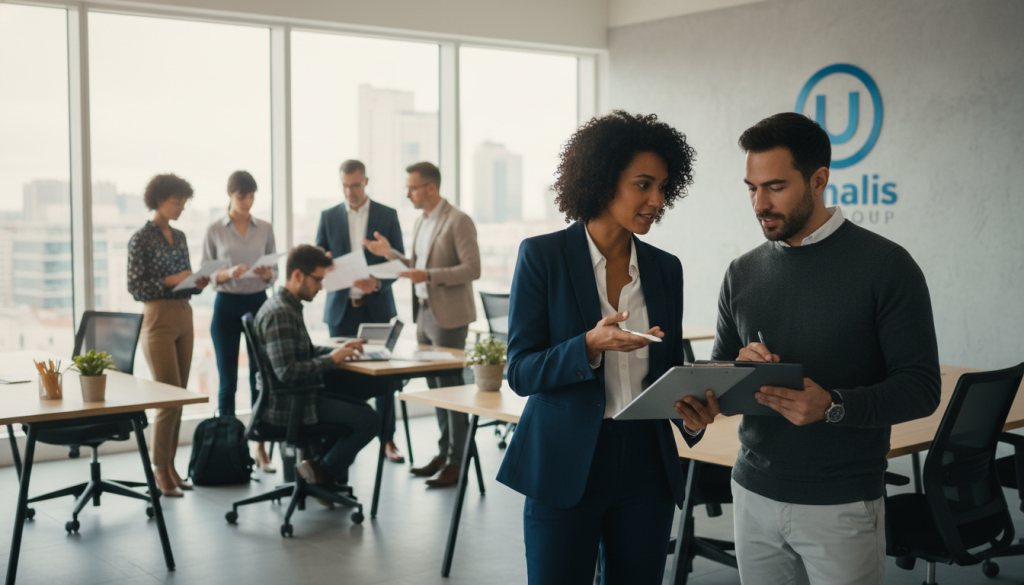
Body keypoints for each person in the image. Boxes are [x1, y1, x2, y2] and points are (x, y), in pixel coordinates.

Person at [709, 112, 941, 585]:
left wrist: (833, 406)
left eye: (775, 187)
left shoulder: (887, 266)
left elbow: (921, 389)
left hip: (842, 502)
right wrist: (736, 369)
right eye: (751, 188)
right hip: (752, 491)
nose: (759, 203)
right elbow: (718, 371)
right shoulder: (741, 271)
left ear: (819, 180)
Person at [494, 111, 714, 585]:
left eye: (663, 187)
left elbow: (668, 369)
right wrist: (588, 346)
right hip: (566, 460)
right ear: (602, 180)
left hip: (646, 464)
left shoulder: (665, 269)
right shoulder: (542, 256)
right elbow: (521, 371)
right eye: (643, 185)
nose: (657, 200)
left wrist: (691, 412)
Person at [364, 161, 481, 487]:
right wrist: (391, 255)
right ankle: (445, 454)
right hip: (424, 312)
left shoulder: (458, 220)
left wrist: (427, 275)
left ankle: (458, 461)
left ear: (431, 187)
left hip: (449, 315)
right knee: (436, 389)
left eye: (412, 187)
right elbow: (417, 266)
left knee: (451, 388)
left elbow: (472, 269)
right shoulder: (421, 222)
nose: (408, 193)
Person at [253, 244, 384, 500]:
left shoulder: (285, 306)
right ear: (298, 275)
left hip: (295, 398)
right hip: (291, 404)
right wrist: (332, 360)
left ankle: (321, 474)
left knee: (355, 402)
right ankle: (322, 471)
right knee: (370, 420)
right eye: (318, 280)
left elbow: (303, 351)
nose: (321, 287)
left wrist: (339, 350)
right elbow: (287, 372)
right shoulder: (281, 313)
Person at [316, 159, 406, 464]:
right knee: (339, 377)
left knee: (384, 380)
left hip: (376, 308)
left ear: (365, 181)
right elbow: (318, 260)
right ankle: (342, 440)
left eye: (355, 185)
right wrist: (324, 261)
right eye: (345, 185)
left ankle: (388, 439)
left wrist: (377, 282)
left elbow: (399, 265)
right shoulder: (328, 216)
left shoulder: (387, 215)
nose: (350, 191)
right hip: (341, 310)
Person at [127, 173, 210, 497]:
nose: (181, 207)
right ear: (159, 200)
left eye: (184, 202)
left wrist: (196, 282)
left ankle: (171, 465)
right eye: (177, 201)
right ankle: (159, 469)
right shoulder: (141, 238)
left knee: (180, 396)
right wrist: (170, 279)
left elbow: (185, 278)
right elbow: (135, 287)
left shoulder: (181, 236)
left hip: (184, 314)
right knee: (167, 399)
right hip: (157, 316)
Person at [202, 170, 278, 472]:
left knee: (260, 377)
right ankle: (229, 446)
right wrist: (226, 273)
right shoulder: (214, 230)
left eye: (251, 196)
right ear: (230, 195)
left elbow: (275, 271)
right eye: (241, 196)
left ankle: (260, 447)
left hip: (259, 304)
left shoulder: (265, 228)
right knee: (228, 380)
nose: (247, 202)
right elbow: (206, 274)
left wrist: (267, 274)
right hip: (227, 305)